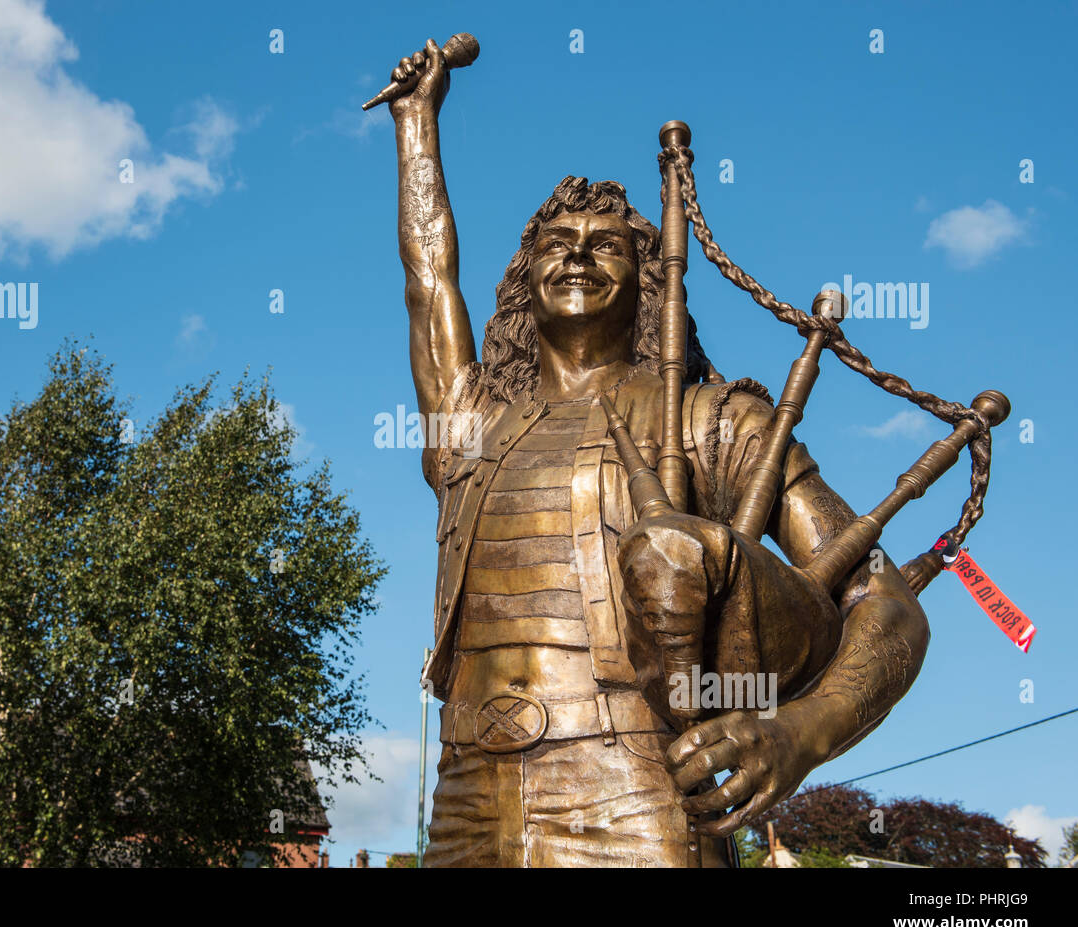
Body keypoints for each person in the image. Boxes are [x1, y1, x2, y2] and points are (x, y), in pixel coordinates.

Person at [386, 38, 930, 867]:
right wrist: (415, 126)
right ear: (522, 278)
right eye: (556, 240)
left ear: (647, 282)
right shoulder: (469, 429)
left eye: (606, 243)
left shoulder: (714, 421)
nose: (575, 251)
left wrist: (799, 734)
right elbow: (429, 282)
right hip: (466, 800)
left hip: (637, 795)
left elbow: (886, 600)